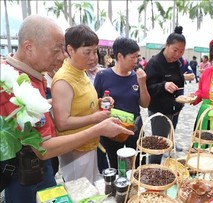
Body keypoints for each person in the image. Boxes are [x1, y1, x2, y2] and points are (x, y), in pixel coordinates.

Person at [0, 15, 133, 203]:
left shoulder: (35, 76)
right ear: (29, 47)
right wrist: (99, 126)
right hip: (25, 174)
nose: (62, 56)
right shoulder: (10, 84)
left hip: (41, 169)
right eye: (56, 50)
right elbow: (43, 148)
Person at [51, 24, 118, 184]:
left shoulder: (80, 72)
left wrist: (100, 102)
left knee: (91, 190)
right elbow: (62, 123)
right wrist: (96, 117)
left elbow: (80, 103)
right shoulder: (64, 80)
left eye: (95, 51)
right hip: (76, 151)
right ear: (70, 50)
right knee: (81, 193)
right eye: (87, 52)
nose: (93, 57)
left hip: (88, 144)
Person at [94, 37, 150, 171]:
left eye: (137, 57)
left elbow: (145, 104)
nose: (136, 61)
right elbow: (95, 104)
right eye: (133, 57)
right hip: (112, 129)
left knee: (138, 164)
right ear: (120, 56)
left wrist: (142, 84)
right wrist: (103, 102)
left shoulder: (137, 76)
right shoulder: (103, 76)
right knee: (115, 164)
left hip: (134, 128)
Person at [145, 26, 187, 164]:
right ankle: (153, 168)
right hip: (159, 109)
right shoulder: (154, 63)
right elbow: (147, 88)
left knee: (168, 136)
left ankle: (167, 152)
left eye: (181, 51)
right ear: (166, 45)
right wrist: (163, 85)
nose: (178, 54)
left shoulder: (177, 62)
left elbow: (179, 81)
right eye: (175, 50)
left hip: (174, 107)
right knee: (158, 143)